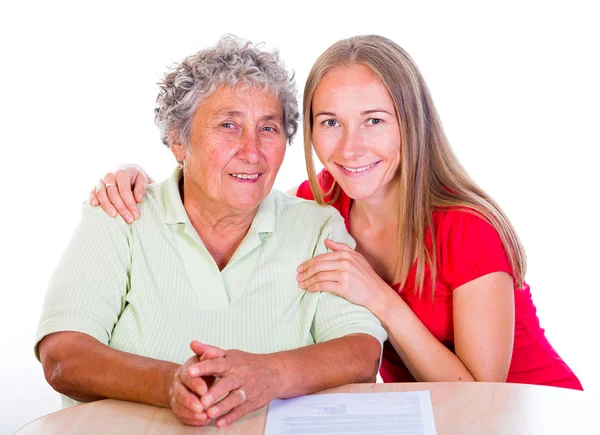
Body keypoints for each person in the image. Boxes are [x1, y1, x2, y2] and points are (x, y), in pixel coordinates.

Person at [90, 35, 582, 390]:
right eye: (330, 122)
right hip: (427, 417)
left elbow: (481, 393)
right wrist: (140, 177)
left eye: (374, 120)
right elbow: (230, 185)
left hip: (528, 412)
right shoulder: (320, 203)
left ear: (411, 125)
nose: (351, 147)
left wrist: (380, 297)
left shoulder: (467, 228)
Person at [35, 35, 387, 429]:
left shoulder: (316, 226)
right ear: (177, 141)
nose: (252, 151)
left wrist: (271, 375)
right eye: (228, 125)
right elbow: (62, 356)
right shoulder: (119, 214)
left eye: (268, 128)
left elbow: (362, 353)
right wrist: (169, 384)